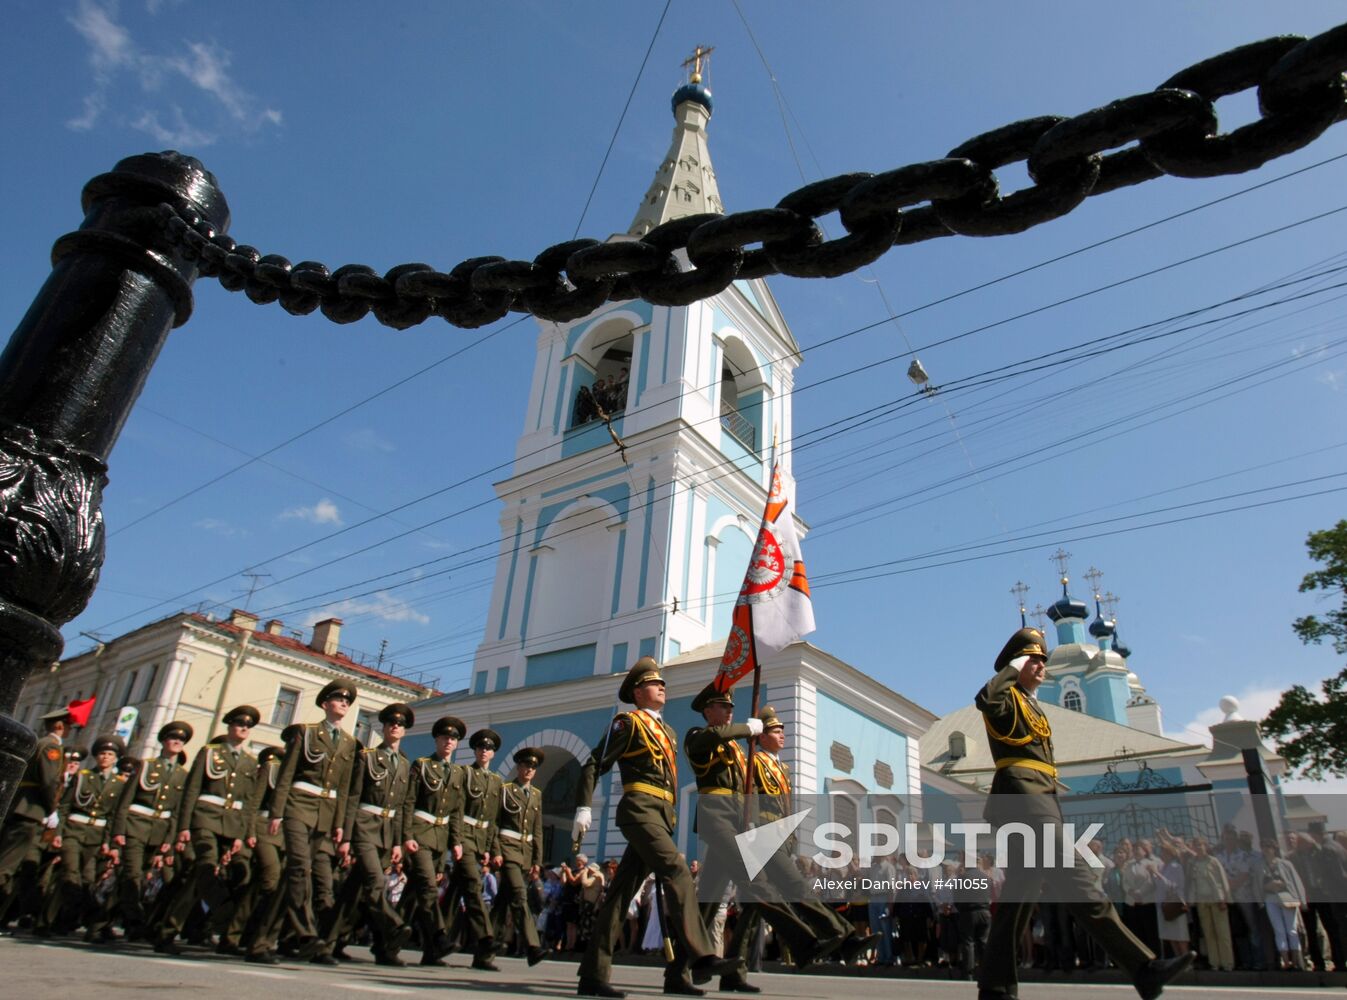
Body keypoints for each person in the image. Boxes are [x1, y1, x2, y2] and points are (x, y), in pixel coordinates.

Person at [974, 627, 1193, 1000]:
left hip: (1040, 799)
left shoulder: (1031, 704)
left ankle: (995, 987)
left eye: (1044, 660)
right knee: (1079, 880)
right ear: (1018, 662)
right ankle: (1143, 968)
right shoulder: (1004, 695)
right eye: (1034, 660)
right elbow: (985, 699)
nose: (1041, 667)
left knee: (1016, 901)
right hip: (1024, 800)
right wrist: (1012, 667)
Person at [570, 657, 736, 998]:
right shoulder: (627, 723)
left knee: (618, 898)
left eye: (662, 682)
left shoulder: (669, 731)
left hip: (661, 816)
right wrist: (584, 806)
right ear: (637, 692)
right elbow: (593, 763)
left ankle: (595, 974)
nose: (662, 686)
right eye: (653, 683)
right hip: (639, 811)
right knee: (677, 869)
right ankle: (702, 954)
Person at [260, 680, 360, 960]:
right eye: (338, 699)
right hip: (297, 807)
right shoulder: (306, 733)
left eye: (347, 701)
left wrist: (340, 824)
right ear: (325, 704)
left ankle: (261, 943)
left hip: (325, 815)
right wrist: (276, 812)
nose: (344, 703)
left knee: (290, 880)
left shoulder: (349, 743)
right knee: (300, 870)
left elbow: (344, 788)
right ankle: (307, 933)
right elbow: (286, 774)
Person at [319, 702, 415, 965]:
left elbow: (402, 807)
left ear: (405, 731)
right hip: (364, 826)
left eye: (401, 724)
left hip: (386, 832)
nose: (396, 727)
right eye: (391, 723)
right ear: (383, 728)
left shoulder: (405, 765)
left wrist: (398, 843)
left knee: (353, 891)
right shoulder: (368, 757)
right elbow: (352, 797)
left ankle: (328, 944)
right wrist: (346, 837)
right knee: (375, 882)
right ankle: (394, 928)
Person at [110, 719, 192, 941]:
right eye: (173, 738)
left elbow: (177, 811)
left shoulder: (183, 775)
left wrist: (170, 838)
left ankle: (102, 921)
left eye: (181, 740)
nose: (177, 742)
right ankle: (136, 922)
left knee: (138, 880)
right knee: (132, 875)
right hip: (135, 826)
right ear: (164, 741)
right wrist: (118, 831)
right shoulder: (146, 766)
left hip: (159, 831)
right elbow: (124, 802)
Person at [39, 733, 128, 936]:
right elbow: (65, 807)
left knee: (87, 881)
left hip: (96, 837)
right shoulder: (83, 777)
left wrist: (108, 842)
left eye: (110, 754)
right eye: (102, 753)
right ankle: (45, 923)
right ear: (97, 757)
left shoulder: (119, 783)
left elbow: (113, 815)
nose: (105, 757)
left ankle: (62, 921)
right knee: (71, 876)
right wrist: (58, 832)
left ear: (116, 759)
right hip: (73, 831)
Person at [402, 715, 466, 966]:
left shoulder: (458, 773)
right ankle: (439, 937)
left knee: (416, 894)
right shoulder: (422, 765)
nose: (448, 742)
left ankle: (395, 939)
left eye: (453, 739)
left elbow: (456, 812)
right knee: (429, 888)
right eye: (444, 737)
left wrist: (456, 841)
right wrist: (406, 835)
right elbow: (409, 802)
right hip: (420, 834)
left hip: (441, 838)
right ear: (437, 740)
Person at [0, 708, 71, 927]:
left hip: (19, 806)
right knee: (7, 866)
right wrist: (51, 809)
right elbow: (49, 782)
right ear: (59, 726)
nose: (69, 730)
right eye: (68, 726)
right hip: (31, 810)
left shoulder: (38, 742)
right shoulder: (51, 746)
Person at [447, 727, 504, 969]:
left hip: (480, 841)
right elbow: (456, 809)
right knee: (472, 884)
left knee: (453, 894)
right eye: (481, 747)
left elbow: (493, 819)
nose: (484, 751)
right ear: (475, 750)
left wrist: (492, 848)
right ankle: (486, 938)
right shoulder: (464, 773)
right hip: (466, 839)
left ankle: (436, 941)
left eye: (489, 748)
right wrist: (456, 840)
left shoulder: (496, 780)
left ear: (493, 753)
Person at [487, 747, 547, 967]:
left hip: (526, 854)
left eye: (533, 767)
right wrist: (495, 851)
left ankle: (484, 952)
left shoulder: (536, 795)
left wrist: (537, 862)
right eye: (525, 766)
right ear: (518, 767)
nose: (529, 770)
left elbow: (537, 830)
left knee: (502, 903)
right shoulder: (505, 790)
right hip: (508, 849)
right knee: (520, 897)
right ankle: (533, 946)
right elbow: (495, 822)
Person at [1260, 837, 1307, 970]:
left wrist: (1301, 900)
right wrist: (1266, 887)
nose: (1267, 850)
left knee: (1292, 929)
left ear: (1274, 849)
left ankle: (1297, 960)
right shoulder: (1260, 865)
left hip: (1287, 896)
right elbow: (1258, 884)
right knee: (1279, 930)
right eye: (1264, 847)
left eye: (1269, 847)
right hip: (1270, 898)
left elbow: (1295, 882)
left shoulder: (1285, 864)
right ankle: (1285, 960)